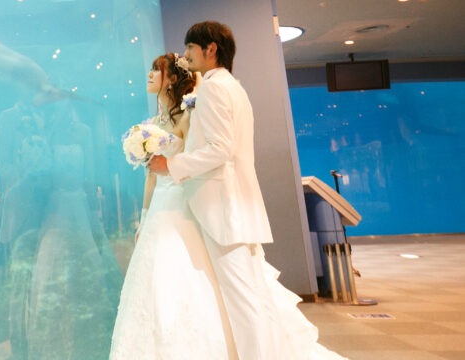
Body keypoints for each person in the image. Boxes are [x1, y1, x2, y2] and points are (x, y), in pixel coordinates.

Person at [147, 22, 345, 360]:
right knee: (254, 299)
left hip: (224, 211)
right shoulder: (231, 87)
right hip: (235, 208)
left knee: (244, 303)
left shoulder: (214, 88)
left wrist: (172, 165)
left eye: (190, 48)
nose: (186, 55)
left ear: (210, 49)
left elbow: (220, 149)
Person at [110, 53, 237, 359]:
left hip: (181, 206)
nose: (150, 74)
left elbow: (194, 162)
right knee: (150, 280)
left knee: (180, 275)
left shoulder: (188, 119)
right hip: (157, 212)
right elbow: (150, 178)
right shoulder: (152, 124)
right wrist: (142, 216)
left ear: (172, 78)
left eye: (158, 69)